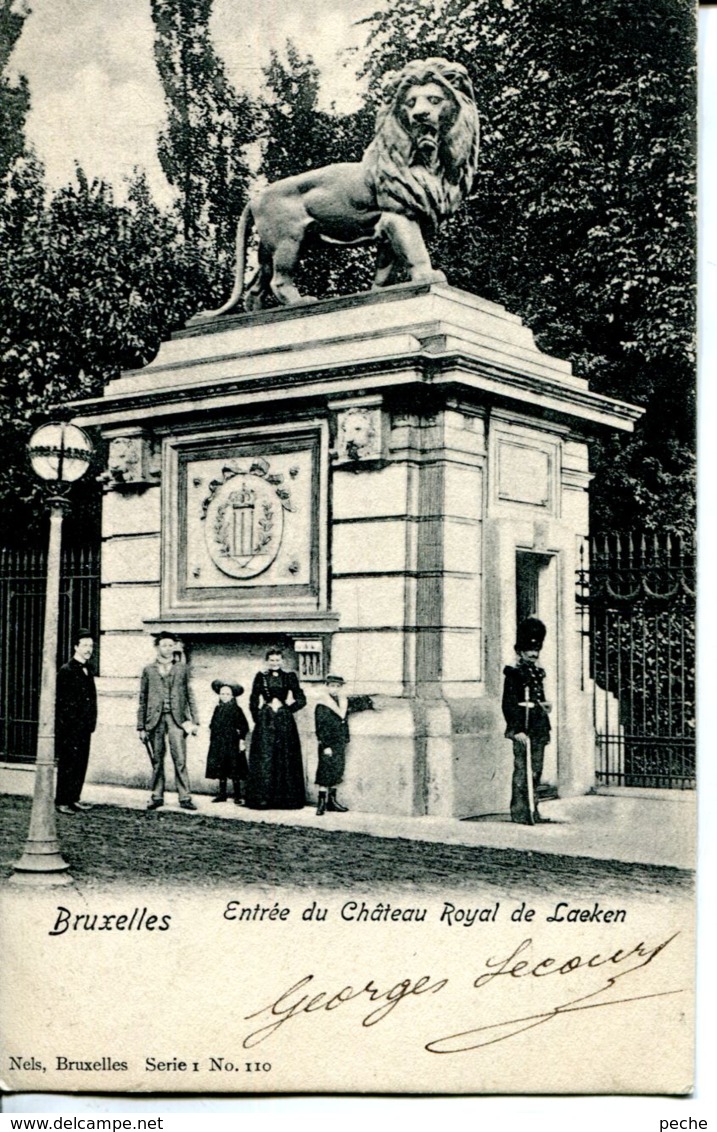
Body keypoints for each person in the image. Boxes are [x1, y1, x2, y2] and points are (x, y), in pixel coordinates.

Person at [137, 630, 199, 811]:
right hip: (154, 720)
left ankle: (185, 797)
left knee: (179, 758)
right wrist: (141, 726)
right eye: (164, 645)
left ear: (175, 647)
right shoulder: (148, 670)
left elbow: (189, 694)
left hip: (177, 720)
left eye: (171, 645)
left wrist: (195, 720)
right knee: (157, 759)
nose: (168, 648)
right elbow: (143, 698)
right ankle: (156, 796)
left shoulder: (182, 668)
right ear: (157, 647)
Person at [502, 617, 552, 824]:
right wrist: (516, 730)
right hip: (523, 729)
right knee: (523, 771)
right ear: (520, 652)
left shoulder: (537, 673)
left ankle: (534, 809)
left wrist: (544, 707)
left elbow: (536, 700)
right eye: (529, 650)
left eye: (536, 650)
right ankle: (520, 811)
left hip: (538, 728)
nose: (534, 654)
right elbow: (509, 704)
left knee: (536, 771)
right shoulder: (514, 675)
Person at [246, 647, 306, 809]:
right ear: (267, 661)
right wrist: (258, 716)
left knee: (284, 756)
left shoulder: (289, 677)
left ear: (282, 661)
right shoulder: (260, 677)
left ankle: (286, 800)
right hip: (265, 720)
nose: (274, 663)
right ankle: (263, 799)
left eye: (277, 660)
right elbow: (253, 699)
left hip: (283, 721)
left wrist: (286, 709)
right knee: (265, 756)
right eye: (271, 660)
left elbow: (301, 699)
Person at [55, 628, 97, 815]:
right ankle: (62, 800)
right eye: (85, 645)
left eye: (91, 646)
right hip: (70, 729)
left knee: (80, 763)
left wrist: (90, 722)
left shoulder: (88, 669)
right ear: (76, 647)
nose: (88, 649)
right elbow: (62, 703)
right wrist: (69, 726)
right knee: (68, 764)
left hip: (84, 728)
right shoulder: (67, 670)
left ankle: (74, 798)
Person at [205, 680, 250, 805]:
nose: (224, 696)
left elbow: (244, 726)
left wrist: (241, 740)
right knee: (221, 769)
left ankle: (237, 795)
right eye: (222, 694)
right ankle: (222, 794)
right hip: (219, 743)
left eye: (227, 694)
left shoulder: (236, 709)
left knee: (234, 769)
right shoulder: (217, 709)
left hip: (232, 743)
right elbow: (212, 724)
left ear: (232, 696)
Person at [314, 674, 350, 816]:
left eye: (337, 686)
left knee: (337, 769)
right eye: (332, 686)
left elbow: (353, 707)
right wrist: (325, 745)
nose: (334, 689)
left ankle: (332, 801)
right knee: (325, 770)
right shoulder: (322, 704)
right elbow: (320, 727)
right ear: (327, 686)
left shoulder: (342, 701)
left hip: (339, 741)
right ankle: (321, 802)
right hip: (327, 743)